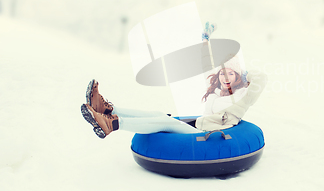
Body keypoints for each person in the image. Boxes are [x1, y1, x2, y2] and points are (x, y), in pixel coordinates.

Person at [80, 58, 267, 139]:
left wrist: (246, 74)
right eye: (222, 73)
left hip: (209, 135)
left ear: (238, 78)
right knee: (158, 114)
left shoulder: (242, 97)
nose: (225, 77)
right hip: (199, 125)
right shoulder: (217, 93)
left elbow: (261, 78)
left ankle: (111, 125)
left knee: (164, 122)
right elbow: (208, 64)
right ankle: (108, 110)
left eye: (232, 74)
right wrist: (206, 41)